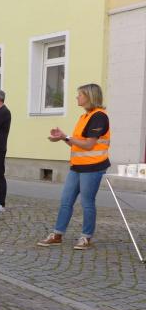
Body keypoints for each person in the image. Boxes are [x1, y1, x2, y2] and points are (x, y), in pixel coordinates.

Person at [37, 84, 110, 250]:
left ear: (89, 97)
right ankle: (57, 235)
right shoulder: (84, 117)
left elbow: (89, 145)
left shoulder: (99, 116)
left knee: (87, 203)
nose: (77, 97)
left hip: (93, 167)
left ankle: (86, 237)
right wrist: (62, 138)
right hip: (77, 166)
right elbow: (76, 143)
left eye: (80, 95)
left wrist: (67, 136)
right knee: (66, 201)